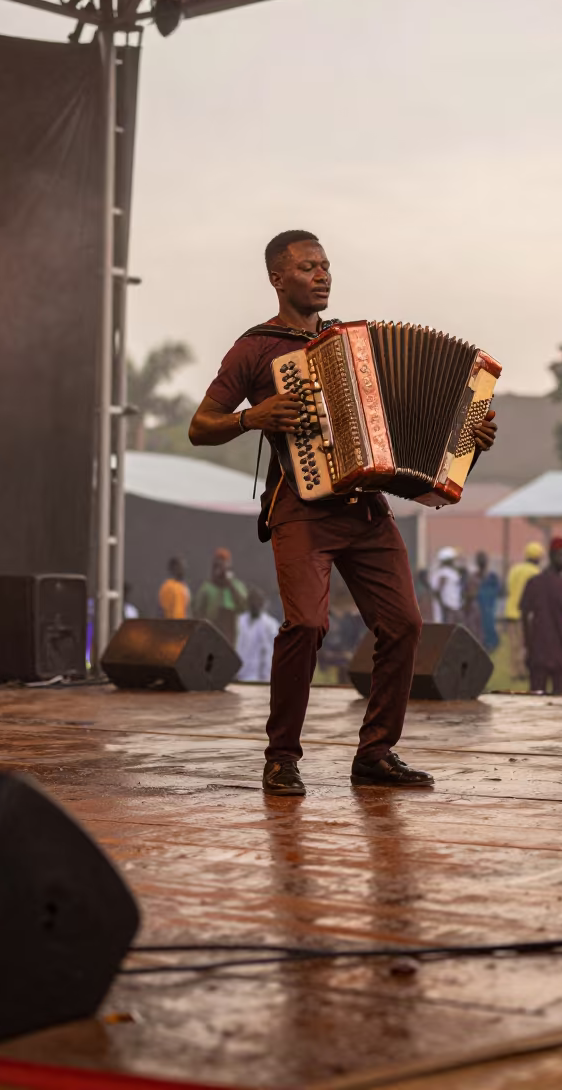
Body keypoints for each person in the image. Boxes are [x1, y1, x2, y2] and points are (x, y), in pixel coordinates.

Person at [188, 229, 498, 796]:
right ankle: (281, 756)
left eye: (326, 266)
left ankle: (376, 752)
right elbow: (199, 426)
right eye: (308, 267)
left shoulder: (352, 343)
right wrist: (251, 418)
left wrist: (468, 437)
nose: (323, 275)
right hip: (300, 508)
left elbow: (418, 428)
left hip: (365, 510)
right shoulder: (255, 349)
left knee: (405, 624)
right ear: (277, 278)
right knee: (307, 624)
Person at [520, 536, 562, 696]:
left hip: (538, 651)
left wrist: (528, 645)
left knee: (536, 699)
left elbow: (525, 616)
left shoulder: (534, 583)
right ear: (552, 556)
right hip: (560, 650)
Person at [193, 547, 248, 646]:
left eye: (223, 566)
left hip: (232, 636)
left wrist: (230, 584)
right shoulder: (207, 588)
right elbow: (197, 612)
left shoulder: (236, 586)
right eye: (217, 566)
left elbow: (244, 606)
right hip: (212, 633)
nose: (221, 570)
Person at [505, 542, 543, 681]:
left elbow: (508, 587)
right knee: (524, 643)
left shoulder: (515, 569)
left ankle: (514, 672)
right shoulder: (536, 572)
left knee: (514, 644)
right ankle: (523, 672)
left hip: (510, 612)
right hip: (526, 613)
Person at [235, 589, 281, 682]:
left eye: (258, 601)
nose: (254, 604)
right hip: (238, 675)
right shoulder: (239, 621)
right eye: (252, 601)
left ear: (263, 603)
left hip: (259, 678)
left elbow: (271, 653)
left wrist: (266, 677)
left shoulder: (270, 625)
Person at [470, 551, 502, 652]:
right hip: (478, 611)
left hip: (489, 610)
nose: (482, 562)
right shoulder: (474, 578)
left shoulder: (492, 578)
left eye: (483, 559)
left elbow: (500, 591)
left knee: (489, 630)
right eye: (480, 560)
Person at [430, 548, 464, 624]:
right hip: (448, 608)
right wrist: (443, 606)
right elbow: (437, 591)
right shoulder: (444, 573)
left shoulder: (450, 572)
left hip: (454, 607)